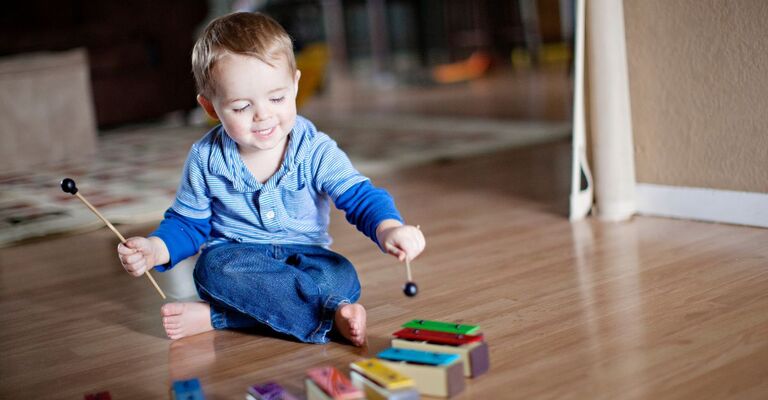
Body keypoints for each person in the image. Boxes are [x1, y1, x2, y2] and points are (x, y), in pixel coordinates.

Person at [116, 12, 425, 346]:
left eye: (276, 98)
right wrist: (153, 249)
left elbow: (359, 196)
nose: (263, 115)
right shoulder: (206, 158)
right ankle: (328, 317)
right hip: (239, 257)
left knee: (340, 274)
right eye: (241, 106)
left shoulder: (315, 149)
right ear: (210, 108)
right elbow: (188, 225)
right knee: (212, 270)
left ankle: (220, 317)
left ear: (294, 84)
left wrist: (389, 228)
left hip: (309, 256)